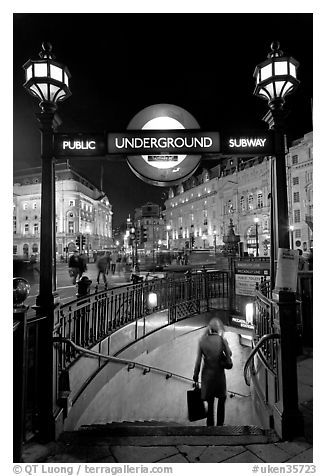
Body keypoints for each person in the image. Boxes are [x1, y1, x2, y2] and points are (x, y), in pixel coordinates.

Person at [193, 317, 232, 427]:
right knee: (221, 399)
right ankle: (220, 425)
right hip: (219, 375)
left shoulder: (202, 341)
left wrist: (195, 375)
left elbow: (198, 361)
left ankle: (210, 426)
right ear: (219, 329)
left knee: (210, 403)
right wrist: (225, 344)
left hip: (207, 375)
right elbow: (230, 354)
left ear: (210, 328)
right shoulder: (221, 340)